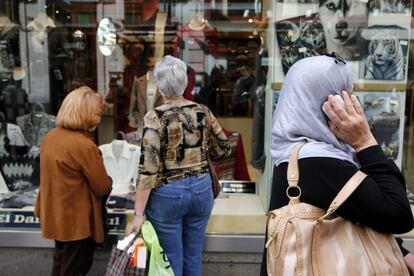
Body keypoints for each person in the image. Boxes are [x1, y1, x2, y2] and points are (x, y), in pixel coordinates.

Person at [260, 55, 414, 275]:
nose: (353, 102)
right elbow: (399, 215)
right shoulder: (319, 162)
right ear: (330, 104)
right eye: (346, 94)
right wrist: (365, 141)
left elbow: (355, 209)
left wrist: (400, 250)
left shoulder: (296, 150)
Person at [127, 55, 231, 276]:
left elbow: (148, 169)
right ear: (184, 81)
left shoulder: (154, 117)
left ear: (160, 85)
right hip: (202, 189)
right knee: (193, 256)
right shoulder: (203, 110)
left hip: (168, 194)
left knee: (170, 260)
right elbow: (223, 148)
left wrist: (138, 214)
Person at [34, 86, 112, 276]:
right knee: (75, 267)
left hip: (55, 215)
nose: (99, 119)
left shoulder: (50, 138)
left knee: (61, 264)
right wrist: (110, 179)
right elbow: (102, 187)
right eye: (96, 114)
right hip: (77, 221)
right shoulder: (84, 146)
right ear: (85, 114)